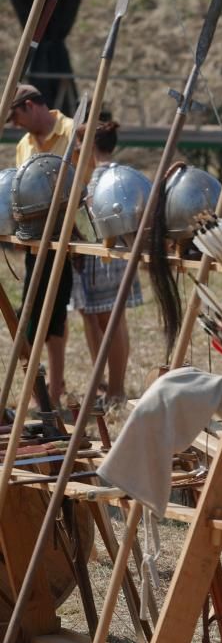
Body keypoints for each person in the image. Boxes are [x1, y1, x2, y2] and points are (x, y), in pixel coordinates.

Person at [7, 84, 94, 406]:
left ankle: (57, 390)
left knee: (64, 316)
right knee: (32, 313)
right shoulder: (23, 145)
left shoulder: (74, 132)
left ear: (30, 106)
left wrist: (77, 229)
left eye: (16, 116)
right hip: (37, 240)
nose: (15, 125)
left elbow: (89, 183)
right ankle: (38, 388)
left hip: (73, 237)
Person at [72, 118, 143, 407]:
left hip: (107, 255)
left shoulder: (103, 179)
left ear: (88, 146)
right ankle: (107, 386)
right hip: (99, 254)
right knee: (101, 319)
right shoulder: (103, 176)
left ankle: (116, 390)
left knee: (111, 321)